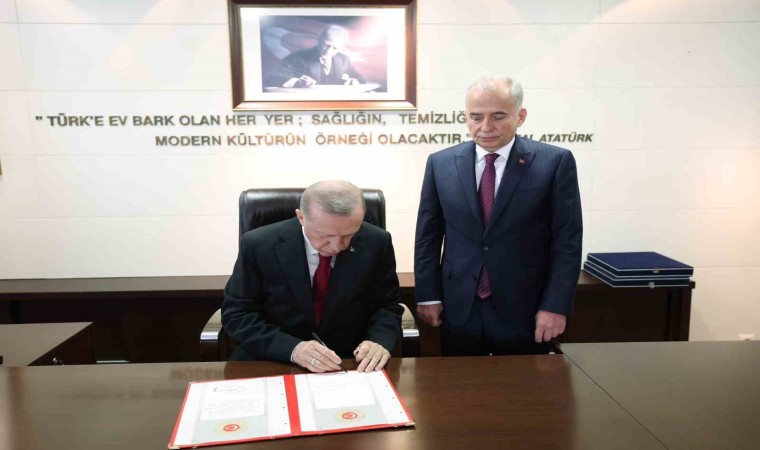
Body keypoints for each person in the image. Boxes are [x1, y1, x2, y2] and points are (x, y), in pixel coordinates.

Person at [414, 76, 583, 356]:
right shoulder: (440, 163)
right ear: (465, 117)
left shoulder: (554, 162)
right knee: (459, 382)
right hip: (459, 307)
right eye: (476, 117)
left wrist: (555, 305)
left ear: (521, 116)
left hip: (526, 307)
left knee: (526, 383)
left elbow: (567, 242)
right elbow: (427, 237)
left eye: (498, 116)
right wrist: (428, 295)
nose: (486, 127)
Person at [222, 180, 402, 372]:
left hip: (350, 361)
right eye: (325, 235)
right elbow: (238, 314)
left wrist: (377, 341)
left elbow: (386, 306)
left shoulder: (377, 242)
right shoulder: (258, 245)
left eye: (348, 235)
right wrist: (293, 349)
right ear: (301, 217)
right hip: (275, 359)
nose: (337, 246)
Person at [264, 25, 366, 88]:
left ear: (341, 48)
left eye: (335, 48)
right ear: (320, 40)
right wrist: (297, 82)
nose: (329, 51)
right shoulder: (298, 57)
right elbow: (275, 77)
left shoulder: (344, 59)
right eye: (327, 45)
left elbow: (360, 79)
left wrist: (355, 81)